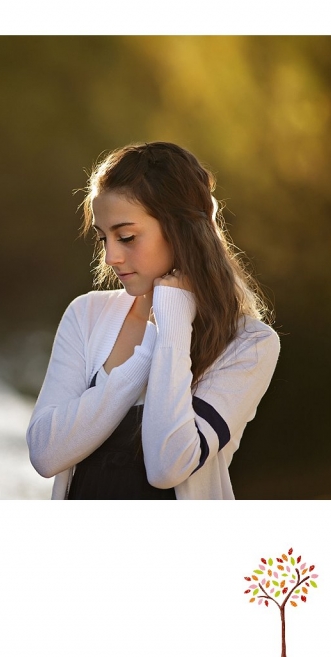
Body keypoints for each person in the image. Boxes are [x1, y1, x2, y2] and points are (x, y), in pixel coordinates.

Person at [26, 141, 280, 500]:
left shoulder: (250, 344)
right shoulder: (85, 315)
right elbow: (45, 454)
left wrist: (172, 324)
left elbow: (167, 467)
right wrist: (145, 355)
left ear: (181, 230)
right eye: (103, 238)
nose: (111, 256)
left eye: (126, 237)